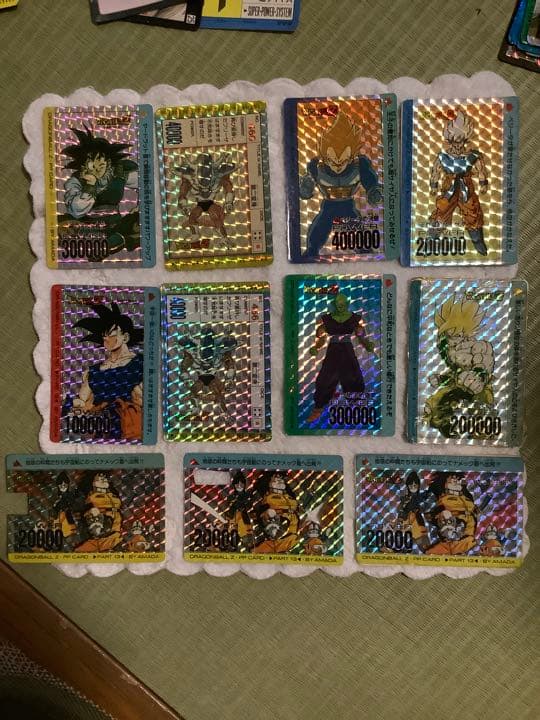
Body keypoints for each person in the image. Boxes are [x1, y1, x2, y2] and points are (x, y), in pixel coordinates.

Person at [299, 111, 382, 258]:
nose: (337, 166)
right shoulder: (316, 166)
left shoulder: (359, 165)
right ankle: (311, 251)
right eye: (332, 161)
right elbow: (306, 189)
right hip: (328, 206)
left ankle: (365, 251)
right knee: (318, 231)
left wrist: (373, 191)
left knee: (359, 235)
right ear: (325, 156)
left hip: (347, 206)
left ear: (351, 156)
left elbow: (370, 181)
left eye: (343, 161)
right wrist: (306, 188)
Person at [67, 303, 144, 441]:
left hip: (131, 426)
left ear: (125, 337)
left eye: (111, 334)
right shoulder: (94, 371)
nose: (106, 339)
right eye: (104, 336)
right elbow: (82, 401)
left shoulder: (140, 363)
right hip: (101, 427)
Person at [61, 125, 140, 255]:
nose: (98, 168)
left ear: (108, 163)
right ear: (84, 164)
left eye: (102, 164)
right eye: (93, 163)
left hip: (115, 226)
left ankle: (118, 240)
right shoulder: (75, 181)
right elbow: (76, 210)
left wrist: (139, 207)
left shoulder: (117, 173)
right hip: (88, 228)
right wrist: (89, 187)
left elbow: (145, 182)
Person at [307, 293, 374, 423]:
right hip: (333, 351)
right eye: (338, 304)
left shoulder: (354, 319)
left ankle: (356, 407)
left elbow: (361, 335)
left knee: (354, 377)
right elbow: (321, 338)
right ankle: (318, 408)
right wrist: (316, 347)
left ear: (347, 304)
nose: (340, 306)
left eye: (343, 303)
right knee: (325, 379)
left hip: (347, 350)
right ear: (334, 304)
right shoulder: (327, 319)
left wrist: (367, 344)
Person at [429, 110, 488, 255]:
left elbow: (481, 169)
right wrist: (434, 185)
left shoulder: (472, 156)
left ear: (465, 141)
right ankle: (432, 238)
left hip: (466, 185)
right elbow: (435, 171)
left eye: (460, 142)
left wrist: (483, 182)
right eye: (454, 142)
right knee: (442, 210)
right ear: (449, 141)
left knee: (472, 212)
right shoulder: (443, 157)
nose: (457, 145)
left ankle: (478, 242)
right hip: (449, 186)